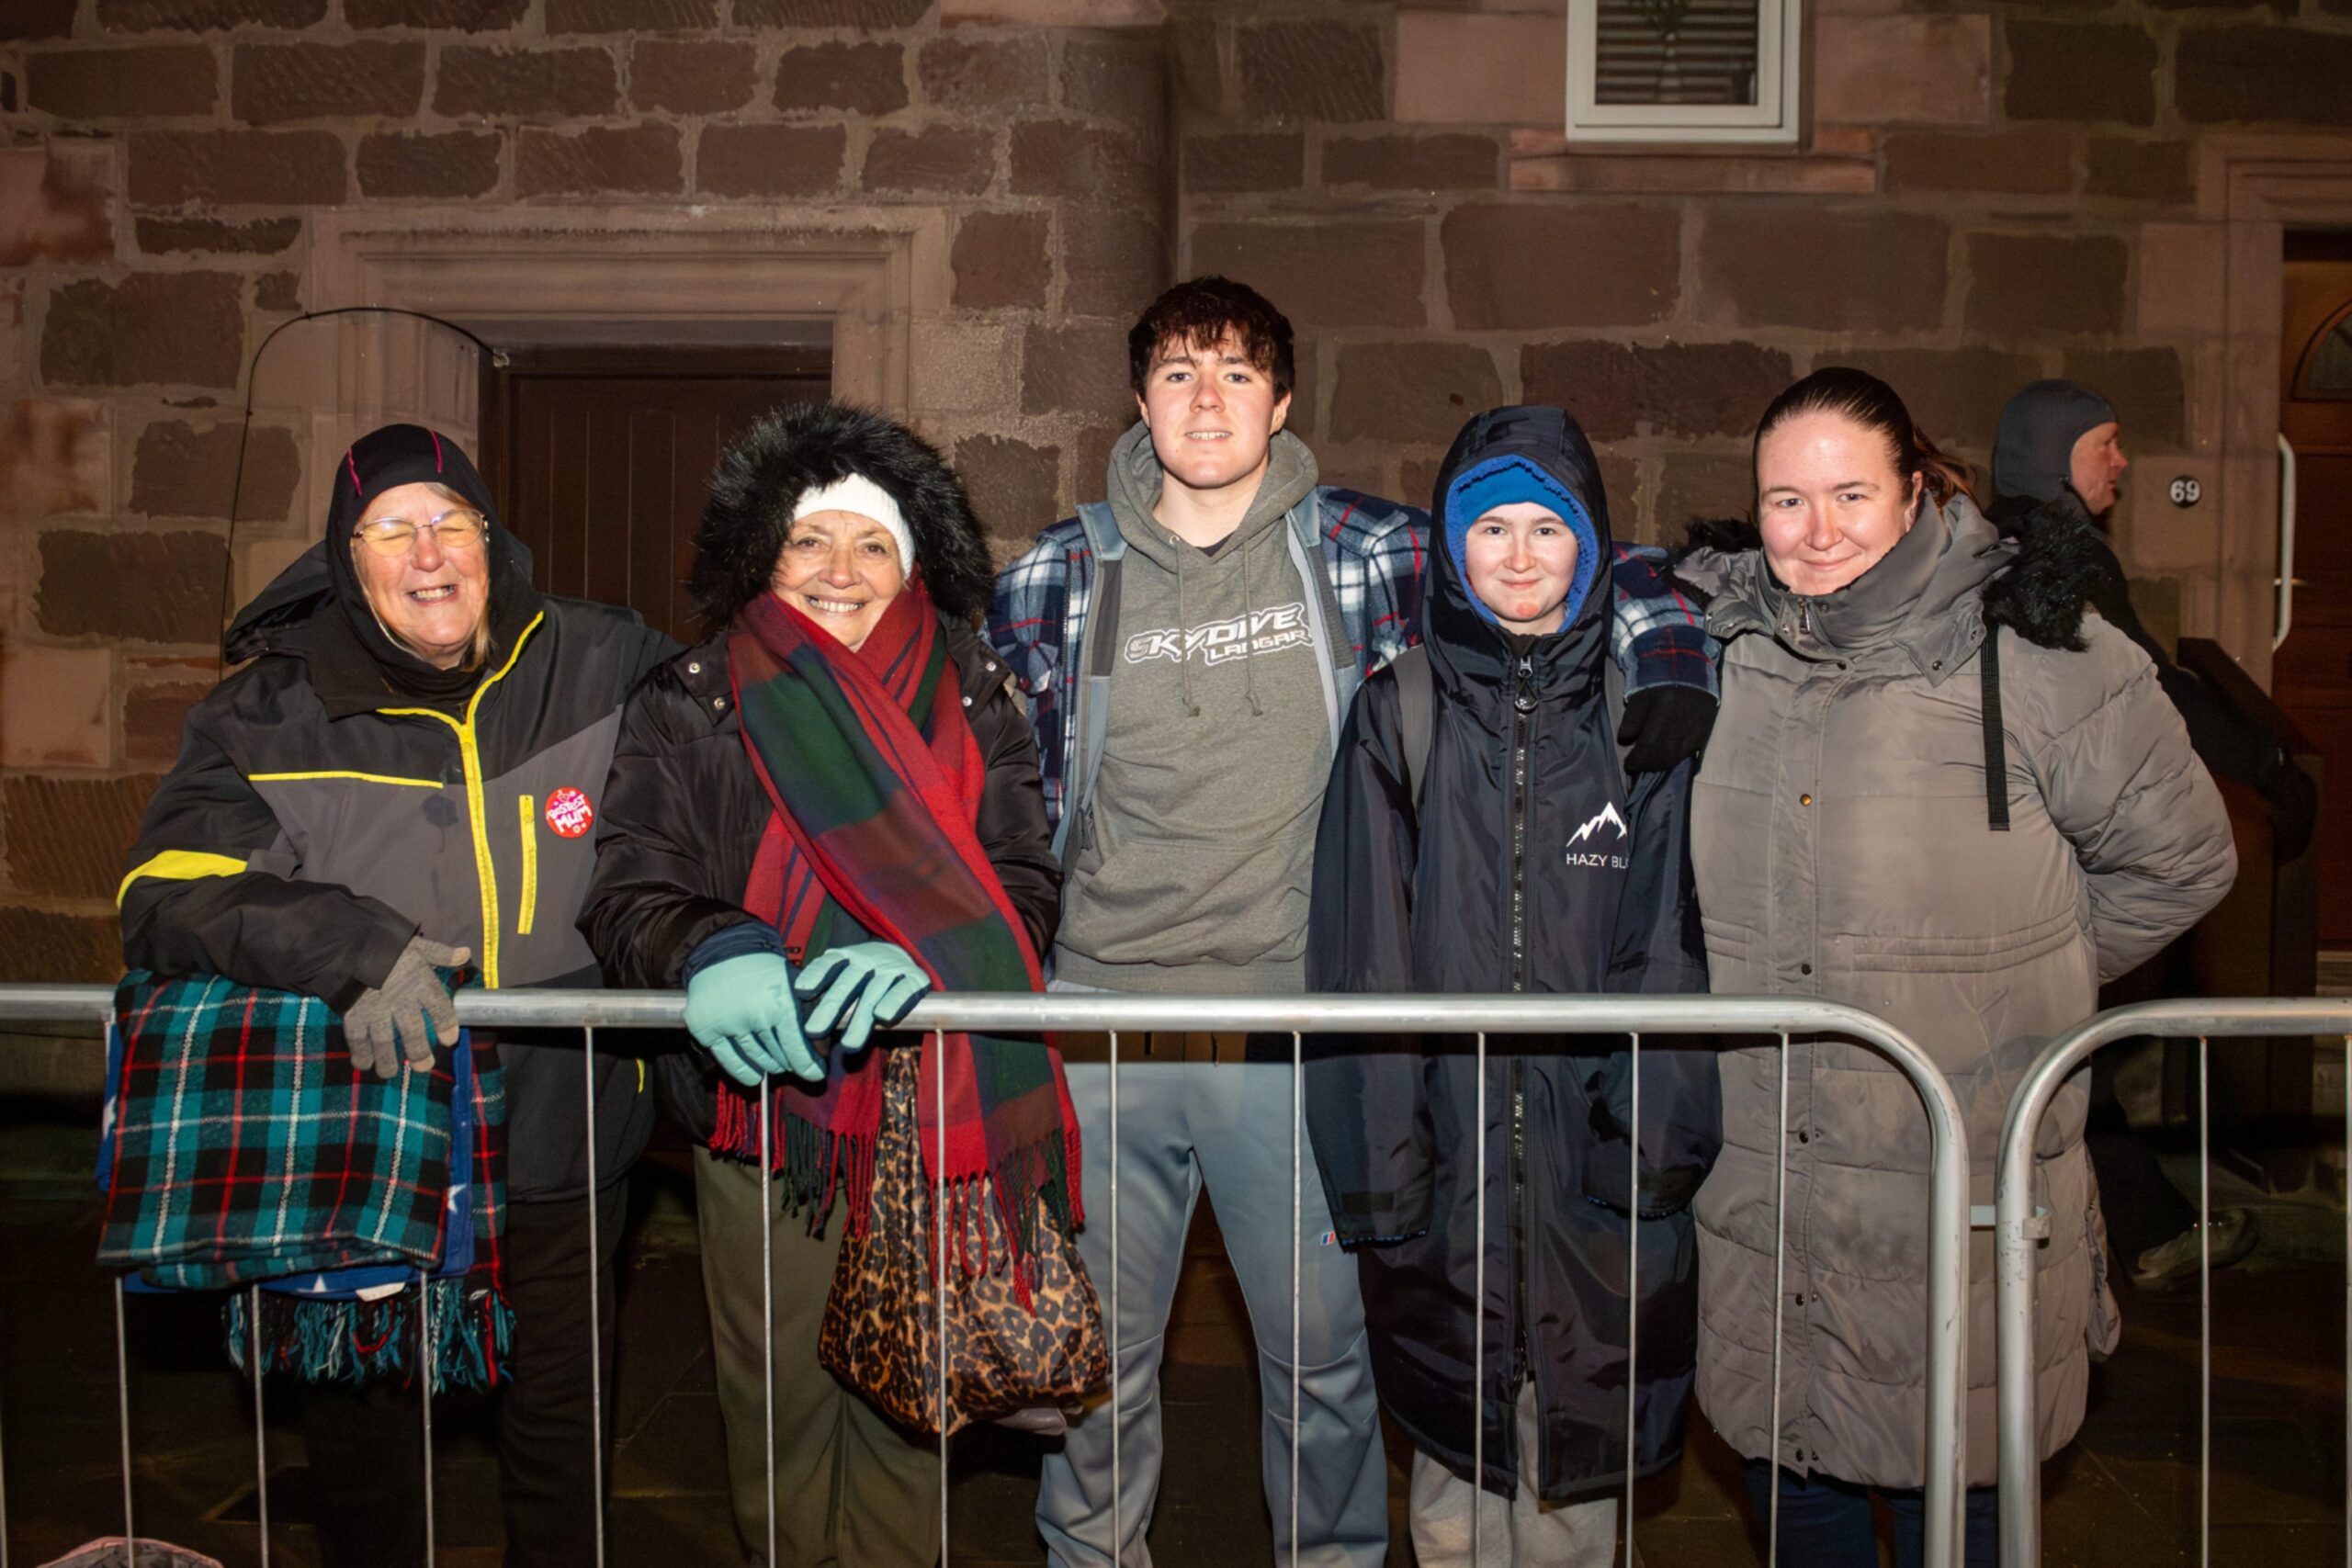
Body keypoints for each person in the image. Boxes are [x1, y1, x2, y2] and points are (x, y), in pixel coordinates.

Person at [987, 276, 1720, 1568]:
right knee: (1096, 1370)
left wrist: (1666, 660)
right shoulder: (1056, 571)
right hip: (1098, 1033)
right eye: (1175, 372)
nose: (1204, 399)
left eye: (1234, 373)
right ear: (1137, 399)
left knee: (1322, 1368)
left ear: (1281, 401)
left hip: (1295, 1033)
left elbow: (1574, 554)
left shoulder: (1364, 547)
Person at [1673, 367, 2238, 1567]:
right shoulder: (1727, 658)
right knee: (1797, 1479)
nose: (1815, 532)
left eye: (1849, 493)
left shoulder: (2040, 654)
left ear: (1918, 486)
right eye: (1785, 500)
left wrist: (2031, 979)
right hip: (1775, 1182)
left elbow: (2182, 861)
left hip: (1960, 1182)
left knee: (1971, 1495)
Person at [119, 423, 675, 1567]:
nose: (428, 553)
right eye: (392, 530)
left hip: (563, 1131)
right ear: (346, 556)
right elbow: (163, 892)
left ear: (488, 538)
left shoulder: (600, 656)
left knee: (560, 1450)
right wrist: (351, 943)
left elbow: (750, 736)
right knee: (365, 1467)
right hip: (369, 1139)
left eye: (450, 522)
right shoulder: (263, 714)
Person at [580, 402, 1073, 1567]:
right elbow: (627, 886)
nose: (839, 572)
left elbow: (1025, 882)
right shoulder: (692, 695)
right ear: (765, 552)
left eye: (872, 545)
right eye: (811, 542)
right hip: (767, 1111)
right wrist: (714, 945)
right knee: (779, 1410)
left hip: (928, 1098)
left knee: (911, 1405)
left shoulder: (971, 692)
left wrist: (934, 954)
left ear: (912, 566)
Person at [1306, 404, 1719, 1565]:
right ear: (1450, 546)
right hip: (1447, 1173)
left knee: (1578, 1506)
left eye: (1550, 528)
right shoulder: (1401, 709)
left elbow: (1667, 946)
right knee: (1457, 1499)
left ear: (1591, 549)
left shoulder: (1640, 714)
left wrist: (1650, 1154)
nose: (1522, 556)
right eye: (1493, 531)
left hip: (1597, 1172)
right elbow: (1362, 953)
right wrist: (1384, 1184)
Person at [1990, 378, 2318, 1289]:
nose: (2123, 464)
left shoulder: (2010, 544)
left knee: (2052, 1044)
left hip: (2029, 836)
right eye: (2106, 445)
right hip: (2042, 846)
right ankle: (2134, 1235)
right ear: (2059, 454)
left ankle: (2136, 1230)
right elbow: (2152, 687)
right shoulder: (2059, 558)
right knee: (2052, 1040)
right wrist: (2265, 766)